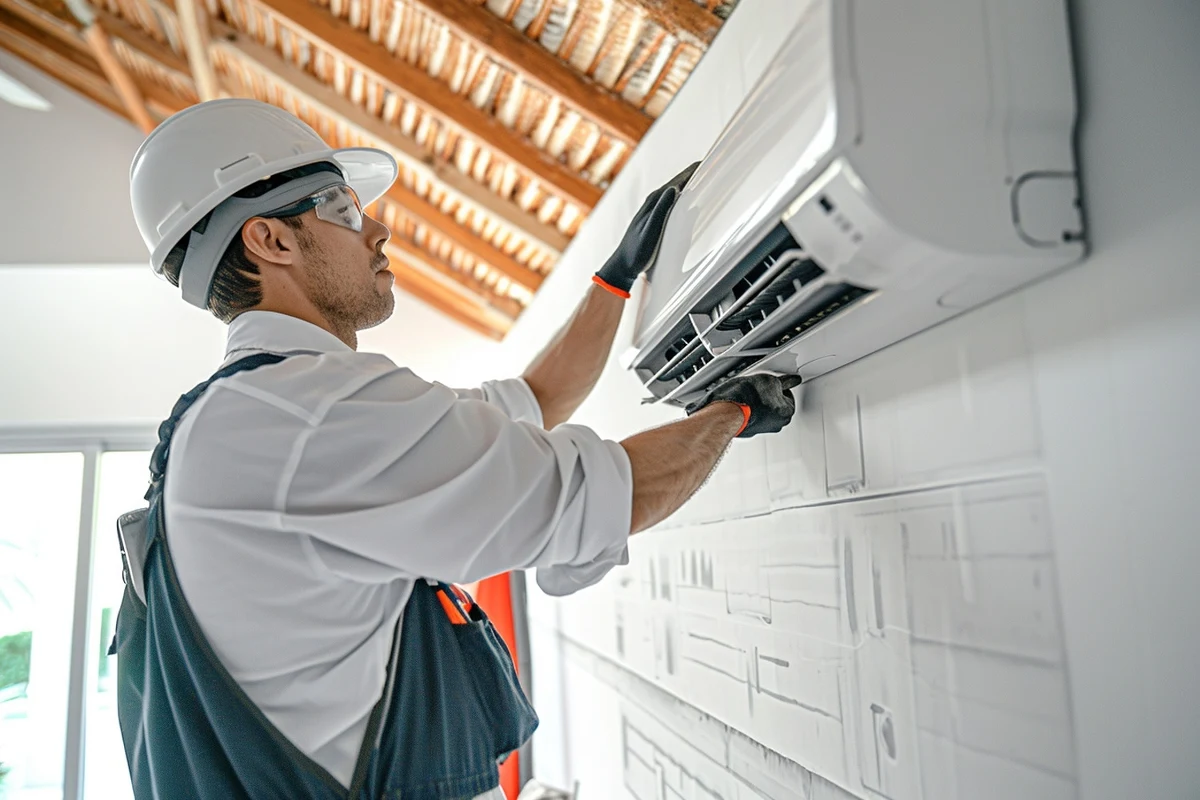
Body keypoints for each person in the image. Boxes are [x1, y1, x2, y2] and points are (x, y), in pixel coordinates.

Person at [112, 98, 799, 799]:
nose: (377, 230)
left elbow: (532, 403)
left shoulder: (247, 416)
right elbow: (611, 494)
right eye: (343, 211)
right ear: (271, 241)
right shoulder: (306, 415)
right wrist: (734, 410)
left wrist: (614, 279)